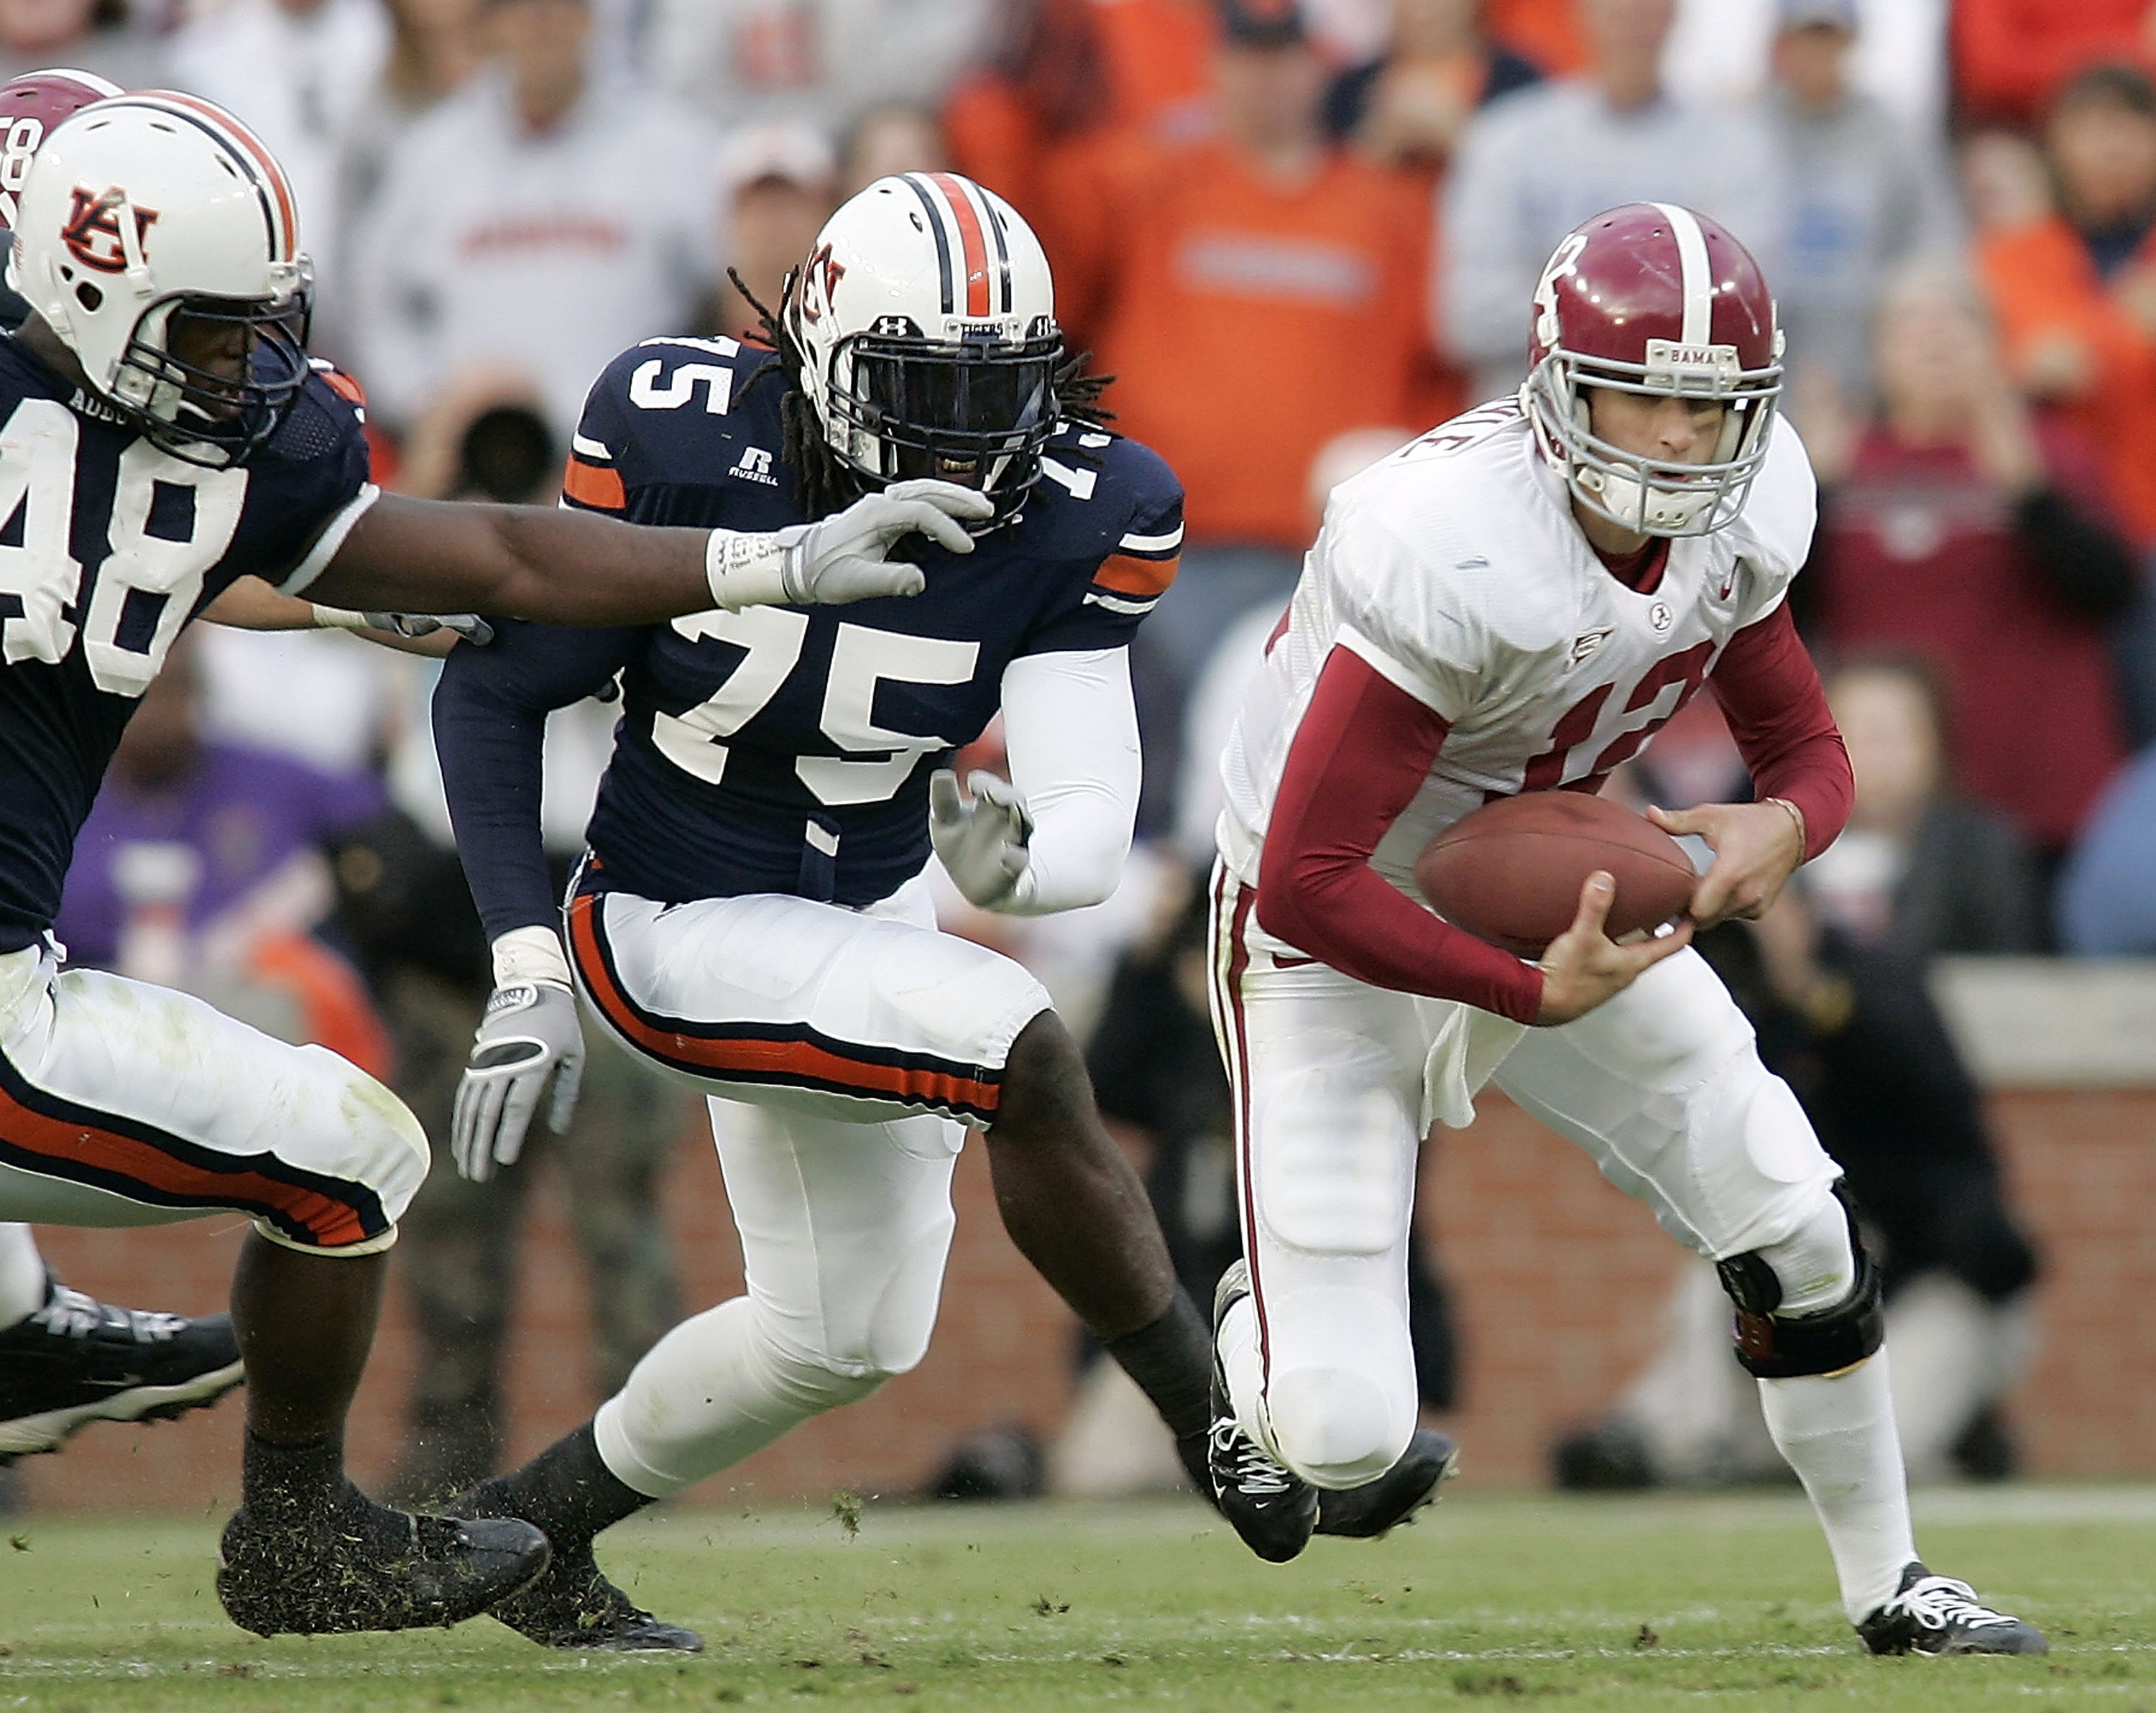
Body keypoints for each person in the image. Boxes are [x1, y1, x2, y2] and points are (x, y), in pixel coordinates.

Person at [0, 88, 998, 1636]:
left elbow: (507, 555)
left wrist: (772, 561)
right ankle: (283, 1529)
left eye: (261, 323)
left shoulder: (234, 448)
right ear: (82, 292)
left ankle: (33, 1340)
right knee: (352, 1158)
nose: (244, 365)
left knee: (350, 1155)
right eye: (208, 330)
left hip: (25, 975)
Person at [429, 172, 1454, 1653]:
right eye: (923, 387)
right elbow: (499, 684)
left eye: (999, 389)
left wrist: (1016, 866)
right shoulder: (674, 428)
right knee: (1017, 1043)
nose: (969, 434)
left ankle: (522, 1541)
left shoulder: (1087, 503)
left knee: (839, 1337)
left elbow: (1087, 815)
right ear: (824, 355)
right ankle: (1218, 1430)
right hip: (669, 909)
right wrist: (526, 962)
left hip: (866, 915)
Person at [1207, 200, 2045, 1655]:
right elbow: (1309, 876)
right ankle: (1251, 1338)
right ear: (1557, 385)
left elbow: (1810, 753)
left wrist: (1784, 831)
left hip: (1556, 895)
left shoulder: (1748, 509)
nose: (1675, 435)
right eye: (1644, 392)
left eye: (1709, 403)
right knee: (1342, 1440)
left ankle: (1893, 1582)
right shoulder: (1445, 538)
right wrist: (1526, 994)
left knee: (1798, 1217)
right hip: (1333, 929)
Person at [1802, 267, 2137, 865]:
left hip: (2039, 788)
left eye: (1957, 326)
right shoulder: (1841, 460)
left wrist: (2034, 498)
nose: (1935, 343)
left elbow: (2116, 592)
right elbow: (1787, 618)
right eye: (1912, 329)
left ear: (1994, 347)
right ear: (1878, 353)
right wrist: (1816, 496)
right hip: (1882, 798)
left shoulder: (2051, 452)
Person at [347, 0, 719, 448]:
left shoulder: (671, 146)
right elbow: (373, 296)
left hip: (630, 450)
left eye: (560, 9)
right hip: (479, 455)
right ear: (493, 27)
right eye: (523, 11)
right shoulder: (433, 154)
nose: (542, 25)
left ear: (589, 21)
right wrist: (422, 402)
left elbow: (722, 289)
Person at [1441, 0, 1784, 405]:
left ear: (1674, 15)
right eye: (1615, 6)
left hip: (1679, 430)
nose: (1632, 20)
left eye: (1646, 8)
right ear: (1581, 13)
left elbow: (1739, 313)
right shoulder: (1507, 138)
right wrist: (1659, 300)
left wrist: (1553, 291)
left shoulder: (1736, 148)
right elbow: (1467, 318)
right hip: (1521, 426)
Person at [1978, 62, 2156, 545]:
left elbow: (2071, 361)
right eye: (2095, 126)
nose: (2114, 148)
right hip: (2060, 529)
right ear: (2053, 143)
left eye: (2133, 126)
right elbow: (2042, 371)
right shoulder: (2007, 258)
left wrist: (2082, 348)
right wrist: (2121, 325)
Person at [1761, 0, 1960, 406]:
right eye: (1805, 38)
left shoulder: (1894, 134)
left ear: (1851, 42)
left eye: (1828, 38)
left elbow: (1937, 242)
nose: (1817, 53)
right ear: (1783, 43)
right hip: (1768, 351)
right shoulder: (1748, 129)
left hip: (1871, 365)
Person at [1804, 657, 2047, 958]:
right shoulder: (1784, 845)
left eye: (1894, 736)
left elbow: (2012, 965)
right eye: (1854, 734)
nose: (1876, 756)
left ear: (1938, 744)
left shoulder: (1983, 849)